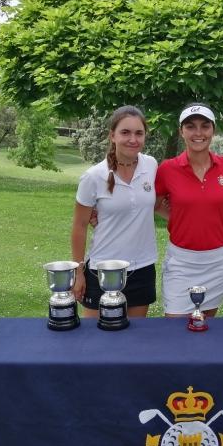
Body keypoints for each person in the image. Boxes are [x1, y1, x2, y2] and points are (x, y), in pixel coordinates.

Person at [71, 105, 158, 317]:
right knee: (95, 341)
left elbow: (154, 204)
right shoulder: (93, 176)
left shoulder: (151, 166)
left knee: (135, 340)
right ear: (112, 136)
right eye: (125, 132)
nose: (133, 139)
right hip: (103, 269)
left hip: (142, 269)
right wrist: (78, 272)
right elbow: (79, 226)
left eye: (139, 133)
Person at [155, 104, 223, 317]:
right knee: (175, 326)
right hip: (181, 262)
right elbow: (155, 203)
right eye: (190, 127)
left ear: (213, 130)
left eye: (204, 126)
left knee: (205, 327)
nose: (198, 133)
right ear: (181, 132)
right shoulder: (167, 169)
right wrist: (179, 218)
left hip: (217, 262)